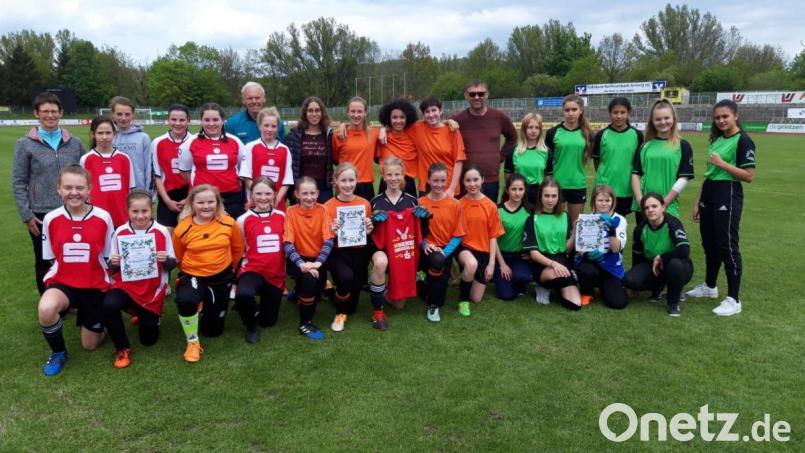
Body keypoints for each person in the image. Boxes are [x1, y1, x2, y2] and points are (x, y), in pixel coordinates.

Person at [37, 165, 114, 376]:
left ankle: (102, 320)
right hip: (64, 282)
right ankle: (58, 353)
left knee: (90, 345)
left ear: (89, 190)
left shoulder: (103, 217)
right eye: (68, 187)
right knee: (46, 308)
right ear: (59, 189)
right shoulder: (51, 218)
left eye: (80, 187)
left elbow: (108, 256)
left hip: (94, 283)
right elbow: (51, 258)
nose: (74, 192)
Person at [687, 100, 756, 316]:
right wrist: (698, 201)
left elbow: (749, 175)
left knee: (727, 244)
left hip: (729, 191)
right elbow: (709, 175)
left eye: (725, 116)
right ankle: (709, 287)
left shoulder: (743, 140)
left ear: (736, 115)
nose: (721, 120)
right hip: (710, 192)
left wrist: (722, 163)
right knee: (709, 243)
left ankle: (734, 299)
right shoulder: (716, 140)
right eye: (717, 117)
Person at [12, 92, 85, 295]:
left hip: (73, 210)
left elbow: (86, 176)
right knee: (44, 259)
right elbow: (19, 182)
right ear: (37, 113)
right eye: (45, 111)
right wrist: (27, 216)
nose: (50, 115)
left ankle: (72, 299)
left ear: (61, 113)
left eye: (54, 111)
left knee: (72, 256)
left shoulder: (75, 143)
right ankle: (49, 303)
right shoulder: (24, 144)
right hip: (41, 214)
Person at [102, 190, 176, 368]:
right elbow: (112, 268)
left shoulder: (161, 232)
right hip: (126, 285)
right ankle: (122, 347)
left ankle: (144, 313)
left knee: (149, 340)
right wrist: (114, 262)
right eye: (135, 211)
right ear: (127, 211)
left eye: (145, 211)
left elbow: (172, 264)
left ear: (152, 210)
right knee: (109, 304)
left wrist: (165, 260)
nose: (140, 216)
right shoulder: (120, 232)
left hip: (152, 288)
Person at [172, 184, 245, 362]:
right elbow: (178, 256)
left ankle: (203, 302)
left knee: (213, 331)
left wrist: (227, 269)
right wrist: (192, 272)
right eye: (201, 202)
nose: (206, 206)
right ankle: (192, 342)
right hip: (193, 275)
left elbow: (237, 249)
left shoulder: (228, 223)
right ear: (192, 204)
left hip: (221, 277)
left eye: (211, 201)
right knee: (186, 300)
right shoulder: (183, 228)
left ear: (217, 202)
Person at [369, 157, 425, 325]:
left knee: (399, 305)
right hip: (382, 248)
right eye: (389, 175)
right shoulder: (375, 201)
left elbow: (420, 230)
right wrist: (372, 220)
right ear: (383, 176)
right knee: (380, 262)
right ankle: (377, 312)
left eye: (397, 175)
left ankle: (383, 290)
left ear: (403, 176)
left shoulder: (412, 201)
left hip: (403, 249)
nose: (393, 178)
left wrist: (426, 218)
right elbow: (368, 231)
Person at [235, 177, 287, 343]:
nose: (263, 197)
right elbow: (240, 249)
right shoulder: (242, 220)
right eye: (258, 193)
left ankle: (255, 308)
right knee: (243, 294)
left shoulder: (283, 217)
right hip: (252, 270)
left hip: (276, 275)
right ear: (251, 195)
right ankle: (250, 327)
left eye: (267, 193)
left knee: (268, 322)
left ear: (275, 194)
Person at [624, 193, 693, 317]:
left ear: (663, 207)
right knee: (629, 280)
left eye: (654, 206)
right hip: (652, 264)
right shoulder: (640, 229)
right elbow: (637, 256)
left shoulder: (672, 223)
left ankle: (673, 302)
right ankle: (658, 287)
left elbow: (684, 250)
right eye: (646, 208)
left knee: (674, 264)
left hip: (677, 264)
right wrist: (635, 282)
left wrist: (661, 257)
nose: (650, 210)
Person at [324, 163, 374, 331]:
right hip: (338, 252)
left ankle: (330, 291)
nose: (348, 184)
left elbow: (366, 232)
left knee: (352, 303)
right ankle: (339, 314)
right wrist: (333, 231)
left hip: (359, 251)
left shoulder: (364, 204)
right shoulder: (327, 206)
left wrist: (368, 229)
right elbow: (324, 236)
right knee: (346, 278)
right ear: (335, 181)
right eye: (343, 180)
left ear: (356, 181)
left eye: (351, 180)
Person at [283, 177, 334, 340]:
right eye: (304, 193)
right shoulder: (290, 211)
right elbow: (288, 243)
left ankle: (297, 291)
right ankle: (305, 323)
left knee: (317, 293)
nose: (309, 197)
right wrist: (302, 264)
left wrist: (318, 263)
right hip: (299, 260)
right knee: (309, 282)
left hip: (318, 259)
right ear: (297, 194)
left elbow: (328, 240)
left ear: (318, 193)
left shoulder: (323, 209)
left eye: (313, 193)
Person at [450, 79, 517, 202]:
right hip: (467, 180)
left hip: (490, 179)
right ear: (466, 96)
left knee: (489, 215)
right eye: (472, 94)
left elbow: (512, 137)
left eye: (480, 93)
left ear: (487, 95)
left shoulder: (499, 117)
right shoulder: (458, 119)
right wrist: (446, 122)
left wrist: (500, 156)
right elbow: (440, 129)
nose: (476, 97)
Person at [178, 103, 247, 219]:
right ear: (201, 121)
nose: (211, 124)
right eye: (207, 120)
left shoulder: (235, 141)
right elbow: (185, 171)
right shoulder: (189, 143)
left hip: (232, 198)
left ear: (222, 120)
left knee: (233, 233)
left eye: (215, 119)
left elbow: (242, 169)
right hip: (202, 198)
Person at [523, 178, 582, 310]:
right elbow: (533, 253)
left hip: (562, 260)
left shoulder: (565, 216)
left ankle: (558, 288)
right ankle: (543, 286)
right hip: (542, 263)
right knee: (562, 277)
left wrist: (574, 234)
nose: (550, 200)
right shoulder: (532, 218)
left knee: (575, 305)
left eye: (554, 196)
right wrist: (553, 264)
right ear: (540, 196)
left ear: (558, 197)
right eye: (547, 195)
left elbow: (566, 249)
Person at [631, 99, 694, 219]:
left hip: (668, 206)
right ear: (652, 121)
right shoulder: (645, 146)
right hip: (645, 207)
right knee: (643, 237)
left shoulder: (683, 145)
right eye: (658, 119)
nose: (663, 122)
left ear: (673, 118)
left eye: (666, 118)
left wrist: (664, 202)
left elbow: (684, 178)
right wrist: (640, 200)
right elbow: (635, 174)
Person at [418, 163, 465, 322]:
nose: (439, 184)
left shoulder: (455, 204)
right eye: (435, 180)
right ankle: (432, 306)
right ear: (428, 180)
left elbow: (459, 235)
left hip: (445, 252)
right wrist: (425, 245)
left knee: (441, 297)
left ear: (447, 180)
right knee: (434, 298)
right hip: (426, 250)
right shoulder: (420, 203)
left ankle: (422, 281)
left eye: (443, 180)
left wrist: (444, 253)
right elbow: (415, 233)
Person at [456, 165, 505, 316]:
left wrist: (491, 264)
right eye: (468, 180)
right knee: (471, 264)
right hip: (464, 249)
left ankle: (465, 279)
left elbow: (493, 236)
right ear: (463, 182)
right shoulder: (458, 204)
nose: (472, 184)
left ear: (482, 180)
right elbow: (454, 234)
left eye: (476, 179)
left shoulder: (490, 206)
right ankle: (463, 302)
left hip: (483, 252)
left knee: (476, 298)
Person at [574, 185, 629, 309]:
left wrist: (611, 230)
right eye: (600, 200)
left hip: (610, 265)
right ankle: (587, 291)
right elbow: (580, 249)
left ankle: (606, 287)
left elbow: (616, 249)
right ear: (594, 201)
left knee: (618, 303)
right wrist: (587, 254)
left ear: (613, 201)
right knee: (586, 270)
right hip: (592, 263)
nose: (604, 204)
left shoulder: (619, 220)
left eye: (607, 200)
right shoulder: (587, 218)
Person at [545, 94, 593, 228]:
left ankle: (573, 250)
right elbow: (547, 162)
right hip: (556, 185)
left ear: (581, 110)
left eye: (574, 109)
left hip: (577, 184)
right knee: (555, 225)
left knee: (575, 227)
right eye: (567, 110)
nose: (570, 113)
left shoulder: (588, 134)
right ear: (563, 111)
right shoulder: (553, 133)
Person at [80, 115, 136, 227]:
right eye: (100, 133)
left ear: (114, 134)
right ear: (93, 134)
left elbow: (130, 190)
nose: (104, 137)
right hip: (96, 217)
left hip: (121, 217)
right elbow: (83, 191)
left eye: (108, 133)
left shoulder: (124, 158)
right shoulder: (86, 159)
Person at [592, 97, 644, 216]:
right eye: (615, 112)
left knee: (620, 224)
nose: (619, 116)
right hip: (604, 187)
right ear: (610, 113)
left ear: (629, 113)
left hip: (626, 188)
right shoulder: (601, 135)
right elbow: (597, 161)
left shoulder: (637, 135)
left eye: (622, 112)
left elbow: (639, 163)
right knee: (602, 223)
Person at [407, 96, 467, 197]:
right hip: (426, 187)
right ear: (423, 115)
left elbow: (459, 161)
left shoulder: (452, 131)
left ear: (441, 110)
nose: (431, 114)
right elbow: (397, 126)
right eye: (427, 111)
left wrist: (452, 188)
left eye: (434, 110)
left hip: (448, 188)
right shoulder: (417, 128)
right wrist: (384, 129)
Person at [239, 107, 293, 211]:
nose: (269, 129)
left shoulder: (284, 149)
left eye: (273, 126)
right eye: (266, 125)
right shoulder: (250, 147)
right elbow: (246, 177)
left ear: (278, 128)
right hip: (256, 201)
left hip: (276, 201)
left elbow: (287, 180)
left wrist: (276, 199)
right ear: (259, 126)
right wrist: (258, 197)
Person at [493, 173, 536, 301]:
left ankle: (518, 279)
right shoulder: (497, 210)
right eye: (514, 189)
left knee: (523, 277)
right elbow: (493, 239)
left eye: (521, 189)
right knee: (506, 295)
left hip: (520, 257)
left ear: (525, 190)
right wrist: (502, 264)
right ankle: (504, 279)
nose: (517, 193)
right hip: (501, 256)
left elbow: (537, 234)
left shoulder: (530, 210)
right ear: (507, 190)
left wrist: (531, 254)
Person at [151, 103, 192, 234]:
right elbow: (157, 175)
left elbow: (199, 175)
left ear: (188, 121)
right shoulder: (158, 142)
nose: (178, 123)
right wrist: (167, 201)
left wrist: (189, 198)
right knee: (167, 233)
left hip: (190, 194)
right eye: (174, 119)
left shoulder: (195, 141)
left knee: (188, 233)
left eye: (182, 120)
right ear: (168, 120)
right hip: (167, 195)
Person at [284, 96, 335, 202]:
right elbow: (287, 164)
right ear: (305, 113)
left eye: (317, 110)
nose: (314, 114)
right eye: (310, 110)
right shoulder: (294, 136)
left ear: (322, 113)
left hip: (324, 188)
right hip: (302, 187)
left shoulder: (329, 135)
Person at [332, 96, 379, 201]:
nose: (356, 115)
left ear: (365, 113)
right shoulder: (338, 134)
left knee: (367, 217)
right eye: (352, 111)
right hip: (344, 184)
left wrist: (384, 130)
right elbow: (335, 160)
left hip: (366, 185)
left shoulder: (374, 133)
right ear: (347, 112)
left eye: (359, 111)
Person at [505, 112, 551, 206]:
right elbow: (508, 177)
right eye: (530, 127)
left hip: (538, 195)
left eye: (537, 128)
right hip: (519, 194)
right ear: (524, 129)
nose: (534, 131)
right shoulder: (514, 151)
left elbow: (547, 178)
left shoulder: (546, 152)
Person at [377, 99, 420, 197]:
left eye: (402, 117)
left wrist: (449, 121)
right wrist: (383, 129)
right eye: (394, 117)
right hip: (387, 182)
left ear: (407, 118)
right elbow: (360, 127)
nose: (398, 121)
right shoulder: (382, 136)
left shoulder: (414, 133)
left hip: (408, 183)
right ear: (389, 118)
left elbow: (433, 124)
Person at [110, 96, 152, 193]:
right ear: (113, 115)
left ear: (132, 115)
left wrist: (148, 193)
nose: (123, 118)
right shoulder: (108, 136)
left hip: (138, 191)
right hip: (114, 190)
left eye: (127, 114)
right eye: (119, 114)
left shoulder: (143, 138)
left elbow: (149, 168)